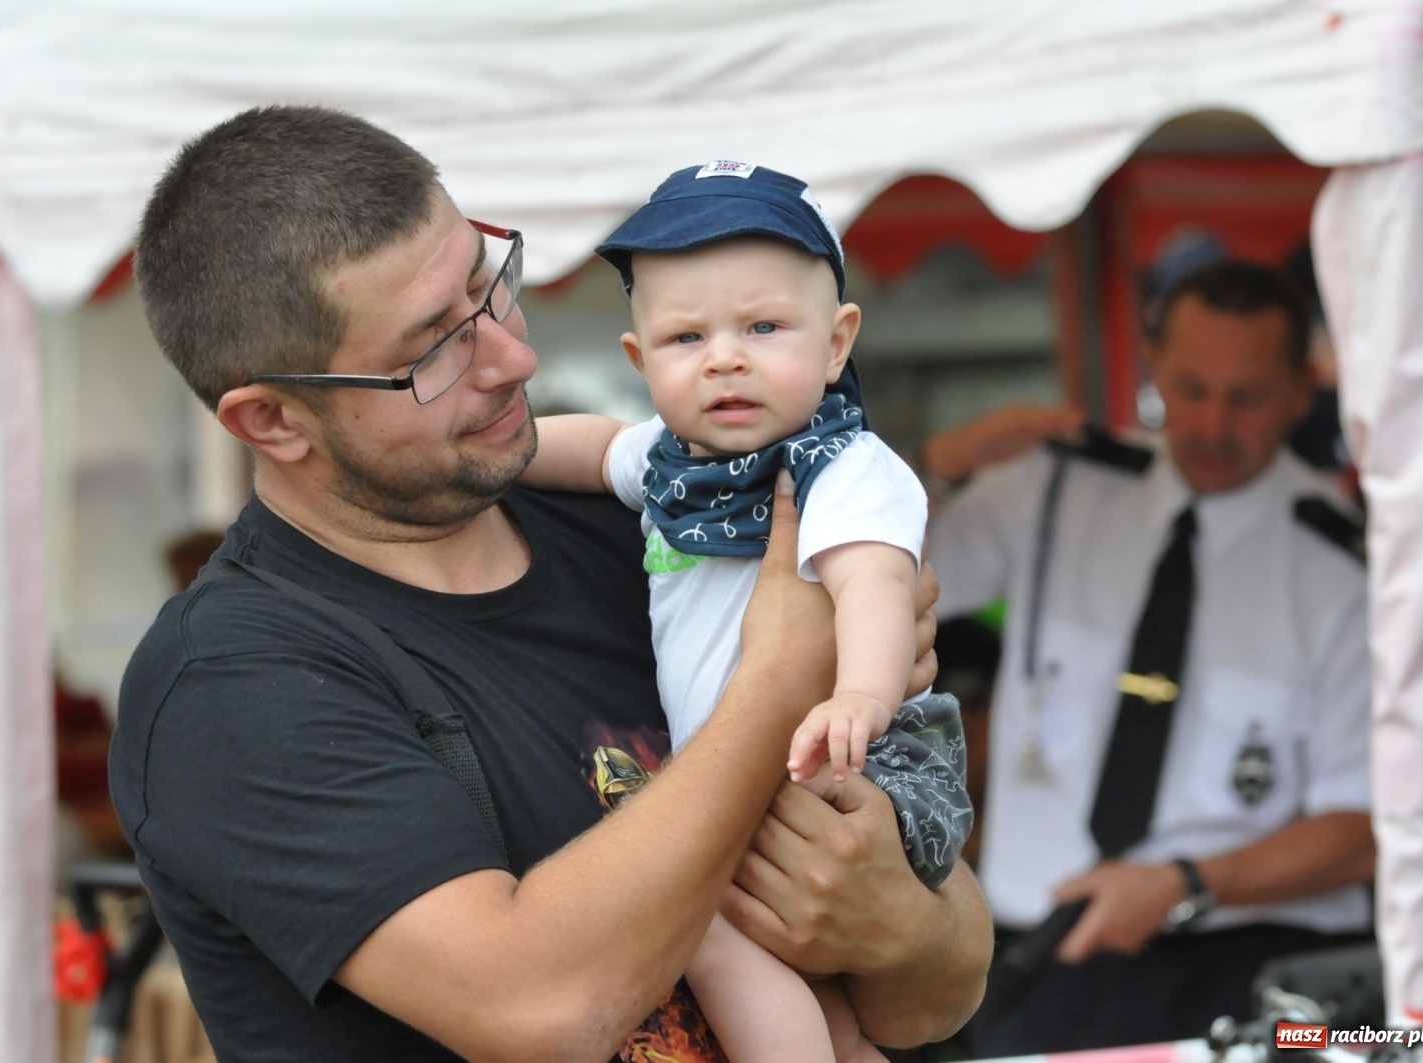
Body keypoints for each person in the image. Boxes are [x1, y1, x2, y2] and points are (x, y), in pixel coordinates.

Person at [108, 105, 990, 1063]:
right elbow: (543, 1009)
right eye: (433, 349)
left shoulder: (665, 521)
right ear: (273, 421)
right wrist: (779, 678)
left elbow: (944, 985)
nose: (514, 357)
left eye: (491, 287)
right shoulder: (234, 684)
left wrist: (893, 924)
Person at [520, 163, 971, 1063]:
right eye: (688, 337)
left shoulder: (842, 467)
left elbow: (877, 584)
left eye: (764, 327)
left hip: (850, 758)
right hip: (760, 759)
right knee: (797, 969)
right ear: (640, 362)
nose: (726, 356)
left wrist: (862, 698)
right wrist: (503, 455)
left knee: (704, 924)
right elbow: (592, 446)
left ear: (837, 343)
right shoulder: (664, 458)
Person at [921, 258, 1375, 1054]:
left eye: (1247, 397)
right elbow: (879, 579)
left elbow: (1368, 822)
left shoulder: (1344, 565)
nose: (1210, 425)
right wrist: (932, 470)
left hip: (1253, 964)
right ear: (1154, 365)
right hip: (1044, 955)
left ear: (1304, 390)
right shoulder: (1058, 486)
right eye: (1190, 389)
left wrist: (1186, 885)